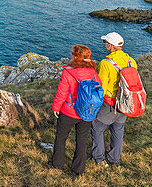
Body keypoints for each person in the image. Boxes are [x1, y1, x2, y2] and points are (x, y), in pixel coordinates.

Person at [49, 44, 98, 175]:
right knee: (81, 141)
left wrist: (56, 107)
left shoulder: (68, 72)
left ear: (76, 57)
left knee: (61, 138)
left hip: (69, 112)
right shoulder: (93, 73)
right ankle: (78, 169)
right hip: (86, 112)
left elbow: (62, 93)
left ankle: (57, 164)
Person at [93, 31, 136, 166]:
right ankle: (114, 159)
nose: (105, 44)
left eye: (106, 42)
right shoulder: (131, 61)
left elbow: (101, 87)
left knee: (97, 128)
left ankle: (99, 158)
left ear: (110, 46)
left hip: (110, 103)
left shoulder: (106, 63)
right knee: (118, 130)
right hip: (125, 102)